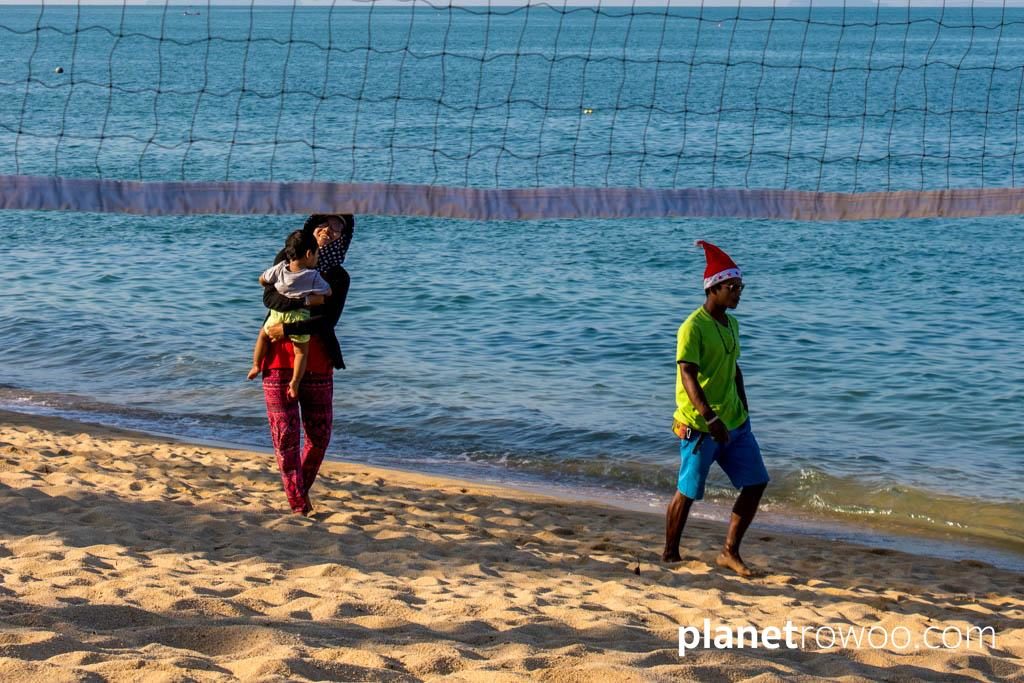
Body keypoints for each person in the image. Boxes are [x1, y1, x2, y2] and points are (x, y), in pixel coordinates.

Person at [662, 240, 770, 577]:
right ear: (713, 288)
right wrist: (710, 416)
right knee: (688, 490)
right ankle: (670, 554)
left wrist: (744, 408)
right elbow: (687, 374)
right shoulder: (692, 327)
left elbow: (734, 368)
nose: (738, 293)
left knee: (756, 483)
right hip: (701, 425)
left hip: (736, 423)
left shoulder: (732, 325)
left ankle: (729, 551)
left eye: (741, 287)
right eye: (732, 287)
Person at [258, 214, 355, 516]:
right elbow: (270, 298)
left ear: (343, 237)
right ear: (311, 229)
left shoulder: (338, 277)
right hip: (276, 357)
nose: (328, 229)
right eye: (323, 223)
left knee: (320, 437)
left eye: (337, 226)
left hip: (317, 359)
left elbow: (328, 320)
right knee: (286, 436)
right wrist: (304, 302)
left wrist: (288, 328)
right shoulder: (286, 262)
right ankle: (298, 502)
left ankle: (297, 489)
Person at [248, 230, 332, 400]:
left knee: (263, 336)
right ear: (309, 254)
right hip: (298, 316)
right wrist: (310, 297)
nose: (317, 258)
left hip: (276, 314)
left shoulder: (280, 268)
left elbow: (262, 280)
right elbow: (327, 292)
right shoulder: (313, 275)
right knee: (301, 353)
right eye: (316, 254)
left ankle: (256, 365)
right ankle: (295, 382)